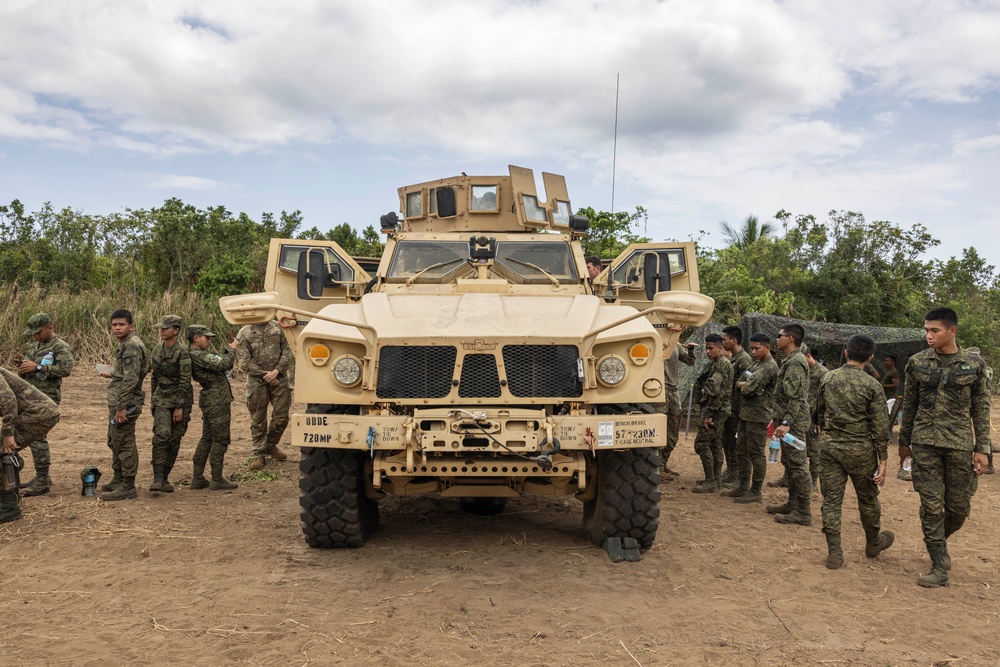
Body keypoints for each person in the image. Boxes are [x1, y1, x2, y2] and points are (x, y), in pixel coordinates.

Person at [899, 307, 991, 588]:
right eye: (926, 330)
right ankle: (939, 564)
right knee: (931, 506)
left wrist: (982, 448)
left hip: (959, 445)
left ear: (952, 331)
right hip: (925, 443)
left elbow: (981, 408)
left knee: (958, 508)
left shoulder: (974, 366)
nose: (928, 335)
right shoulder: (916, 363)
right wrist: (904, 442)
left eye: (934, 330)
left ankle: (939, 542)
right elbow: (909, 405)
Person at [815, 335, 893, 569]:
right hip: (861, 450)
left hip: (830, 447)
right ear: (870, 358)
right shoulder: (872, 385)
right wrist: (884, 461)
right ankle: (873, 543)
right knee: (868, 500)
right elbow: (881, 427)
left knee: (831, 501)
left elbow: (818, 413)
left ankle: (835, 553)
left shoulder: (828, 377)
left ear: (846, 353)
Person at [16, 312, 74, 496]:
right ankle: (42, 476)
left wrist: (38, 367)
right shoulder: (35, 346)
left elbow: (65, 369)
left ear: (50, 328)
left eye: (38, 332)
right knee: (35, 437)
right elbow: (28, 367)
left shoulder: (60, 347)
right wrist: (23, 368)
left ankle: (42, 480)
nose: (35, 336)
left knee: (37, 436)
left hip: (47, 398)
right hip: (30, 396)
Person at [99, 309, 151, 501]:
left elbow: (131, 379)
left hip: (126, 402)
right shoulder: (127, 345)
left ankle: (128, 486)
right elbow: (127, 373)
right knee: (115, 440)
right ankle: (118, 479)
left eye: (121, 324)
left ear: (131, 326)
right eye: (114, 325)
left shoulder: (131, 346)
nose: (117, 328)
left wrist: (121, 407)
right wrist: (113, 372)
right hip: (120, 400)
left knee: (124, 442)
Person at [722, 333, 778, 503]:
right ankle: (743, 486)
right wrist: (745, 384)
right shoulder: (757, 363)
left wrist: (745, 385)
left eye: (757, 348)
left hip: (758, 415)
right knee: (741, 450)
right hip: (746, 414)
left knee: (756, 453)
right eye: (752, 348)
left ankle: (756, 491)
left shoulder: (769, 366)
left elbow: (747, 388)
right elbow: (741, 381)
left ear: (767, 348)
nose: (753, 351)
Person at [0, 368, 61, 523]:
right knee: (4, 453)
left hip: (37, 413)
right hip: (32, 413)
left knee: (3, 452)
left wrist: (8, 432)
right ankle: (11, 497)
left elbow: (8, 399)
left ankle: (8, 508)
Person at [769, 324, 812, 525]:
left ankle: (803, 512)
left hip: (793, 422)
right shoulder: (790, 360)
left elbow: (795, 397)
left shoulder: (795, 362)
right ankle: (793, 505)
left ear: (791, 338)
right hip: (790, 420)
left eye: (780, 336)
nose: (777, 339)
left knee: (799, 466)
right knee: (792, 465)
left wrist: (786, 422)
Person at [187, 325, 239, 491]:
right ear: (196, 338)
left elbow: (221, 366)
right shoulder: (199, 355)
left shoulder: (196, 355)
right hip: (217, 400)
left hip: (211, 399)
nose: (209, 341)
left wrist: (227, 351)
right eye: (206, 337)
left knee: (207, 438)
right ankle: (217, 479)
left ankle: (198, 477)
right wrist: (232, 350)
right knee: (220, 440)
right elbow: (222, 365)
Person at [236, 320, 293, 470]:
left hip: (280, 379)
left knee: (282, 417)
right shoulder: (244, 332)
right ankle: (258, 453)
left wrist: (276, 372)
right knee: (258, 418)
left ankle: (270, 445)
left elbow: (287, 351)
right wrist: (265, 375)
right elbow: (244, 361)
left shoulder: (279, 328)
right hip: (256, 382)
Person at [148, 315, 193, 493]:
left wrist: (179, 406)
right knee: (161, 436)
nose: (161, 330)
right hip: (161, 399)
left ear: (176, 330)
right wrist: (154, 400)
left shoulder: (182, 352)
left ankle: (165, 477)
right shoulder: (156, 351)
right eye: (160, 328)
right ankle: (157, 478)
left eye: (165, 328)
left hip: (179, 399)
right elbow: (154, 378)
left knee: (174, 440)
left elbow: (185, 380)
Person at [692, 334, 733, 493]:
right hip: (720, 410)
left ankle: (711, 481)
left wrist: (709, 416)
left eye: (711, 348)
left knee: (702, 444)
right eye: (706, 348)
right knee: (715, 444)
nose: (708, 351)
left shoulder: (721, 365)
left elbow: (716, 392)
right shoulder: (720, 363)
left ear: (720, 348)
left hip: (715, 410)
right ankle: (715, 480)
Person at [659, 341, 696, 479]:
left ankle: (663, 462)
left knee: (673, 431)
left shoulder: (676, 344)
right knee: (659, 429)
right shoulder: (655, 339)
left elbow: (690, 361)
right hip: (658, 390)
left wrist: (691, 350)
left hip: (674, 390)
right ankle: (657, 467)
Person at [721, 326, 752, 484]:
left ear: (734, 341)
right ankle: (731, 469)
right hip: (729, 407)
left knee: (735, 442)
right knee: (727, 440)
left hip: (737, 408)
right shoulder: (733, 358)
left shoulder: (743, 359)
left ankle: (737, 473)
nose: (722, 342)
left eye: (724, 339)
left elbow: (746, 385)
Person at [804, 345, 828, 491]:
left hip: (814, 418)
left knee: (814, 451)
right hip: (801, 416)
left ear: (808, 356)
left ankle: (813, 483)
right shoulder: (802, 370)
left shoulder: (822, 372)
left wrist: (820, 421)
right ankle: (788, 478)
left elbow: (826, 398)